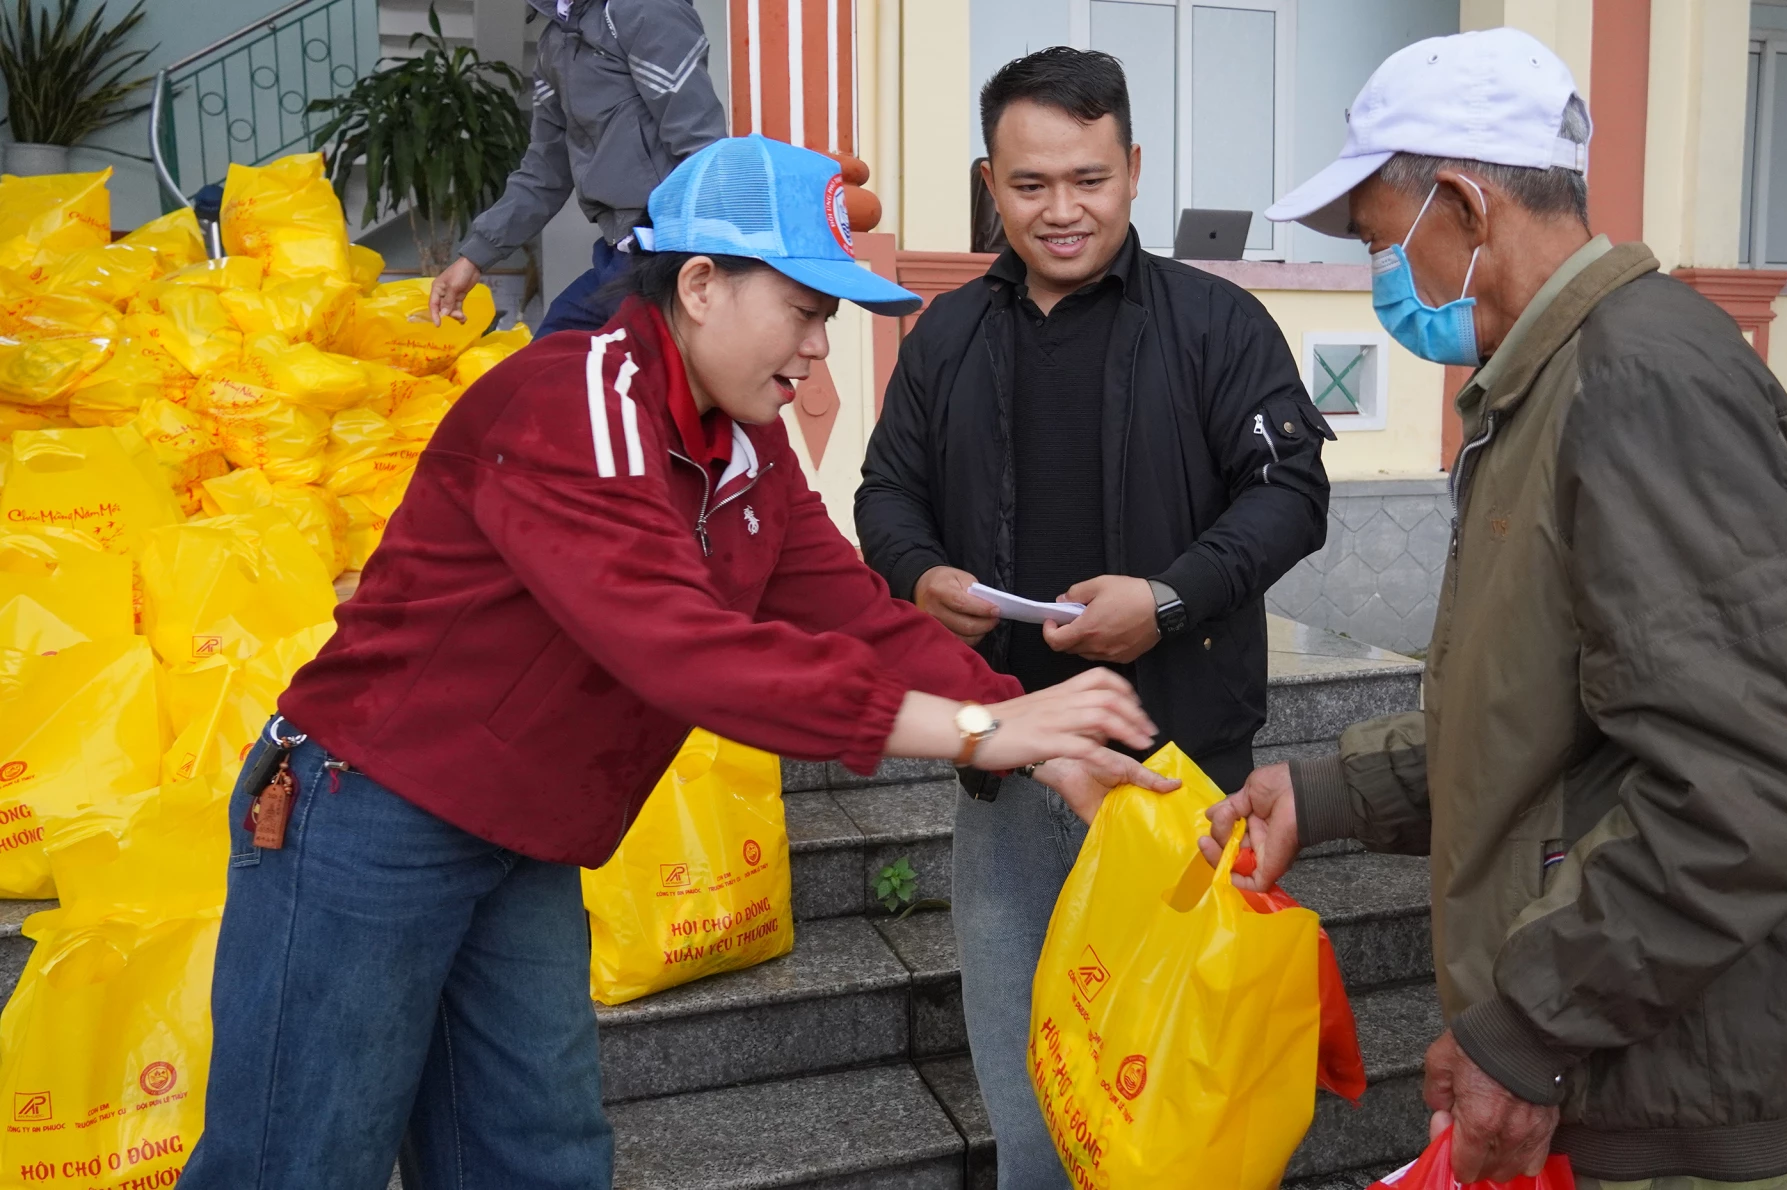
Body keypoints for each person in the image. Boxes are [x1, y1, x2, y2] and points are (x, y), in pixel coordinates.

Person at [179, 134, 1176, 1190]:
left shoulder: (747, 443)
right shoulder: (578, 400)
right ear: (700, 284)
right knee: (297, 1161)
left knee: (536, 1158)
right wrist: (981, 732)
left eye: (827, 321)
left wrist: (1032, 728)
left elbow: (852, 611)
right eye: (803, 311)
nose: (816, 352)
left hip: (523, 837)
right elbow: (684, 648)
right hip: (371, 813)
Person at [1210, 27, 1787, 1188]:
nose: (1386, 280)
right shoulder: (1556, 380)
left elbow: (1750, 776)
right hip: (1630, 1055)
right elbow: (1542, 709)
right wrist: (1321, 793)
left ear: (1465, 207)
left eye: (1382, 241)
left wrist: (1528, 1027)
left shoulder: (1639, 382)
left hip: (1679, 1088)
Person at [854, 47, 1331, 1188]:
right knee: (1037, 1101)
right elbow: (884, 491)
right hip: (1011, 780)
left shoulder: (1219, 325)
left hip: (1182, 784)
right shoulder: (949, 337)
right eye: (1030, 185)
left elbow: (1292, 493)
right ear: (989, 180)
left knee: (1173, 1114)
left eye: (1090, 179)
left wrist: (1166, 600)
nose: (1062, 210)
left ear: (1134, 169)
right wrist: (921, 575)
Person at [428, 0, 725, 338]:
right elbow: (544, 172)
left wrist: (689, 258)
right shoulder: (554, 42)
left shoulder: (647, 10)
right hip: (617, 255)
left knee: (627, 379)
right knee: (547, 362)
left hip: (663, 255)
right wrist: (474, 258)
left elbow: (701, 147)